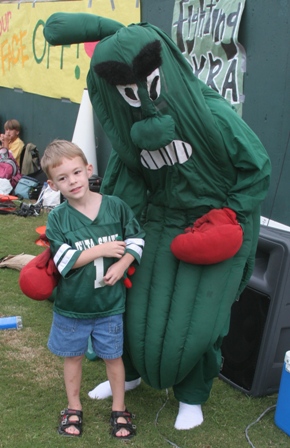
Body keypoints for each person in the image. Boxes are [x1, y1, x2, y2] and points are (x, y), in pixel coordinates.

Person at [44, 14, 271, 431]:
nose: (145, 107)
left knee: (202, 319)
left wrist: (230, 215)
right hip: (158, 221)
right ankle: (127, 374)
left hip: (210, 219)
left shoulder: (214, 117)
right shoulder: (132, 134)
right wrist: (98, 227)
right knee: (129, 302)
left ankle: (192, 395)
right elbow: (125, 183)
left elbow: (255, 168)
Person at [40, 139, 145, 439]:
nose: (72, 181)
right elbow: (66, 261)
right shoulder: (58, 218)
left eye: (76, 172)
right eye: (62, 178)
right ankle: (74, 407)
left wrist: (123, 262)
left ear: (88, 170)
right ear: (52, 184)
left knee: (114, 357)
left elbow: (137, 238)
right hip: (73, 306)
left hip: (110, 305)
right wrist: (102, 249)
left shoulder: (115, 207)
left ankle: (119, 407)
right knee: (72, 357)